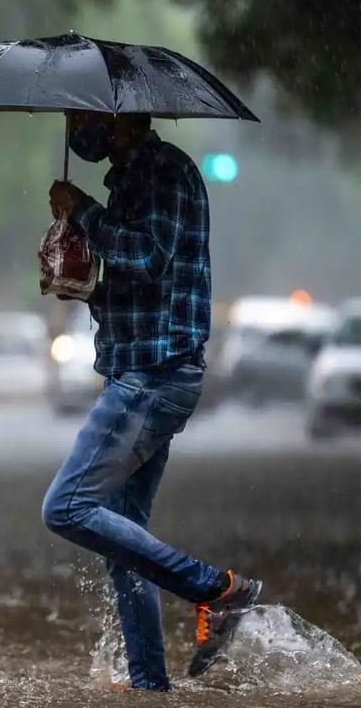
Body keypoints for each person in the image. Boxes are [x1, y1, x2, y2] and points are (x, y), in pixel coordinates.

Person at [42, 111, 262, 691]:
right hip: (140, 370)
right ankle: (149, 687)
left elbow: (147, 257)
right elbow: (137, 283)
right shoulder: (135, 176)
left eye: (82, 119)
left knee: (64, 507)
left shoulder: (163, 171)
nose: (76, 131)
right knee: (123, 539)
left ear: (116, 122)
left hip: (152, 377)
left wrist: (83, 211)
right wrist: (78, 272)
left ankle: (216, 588)